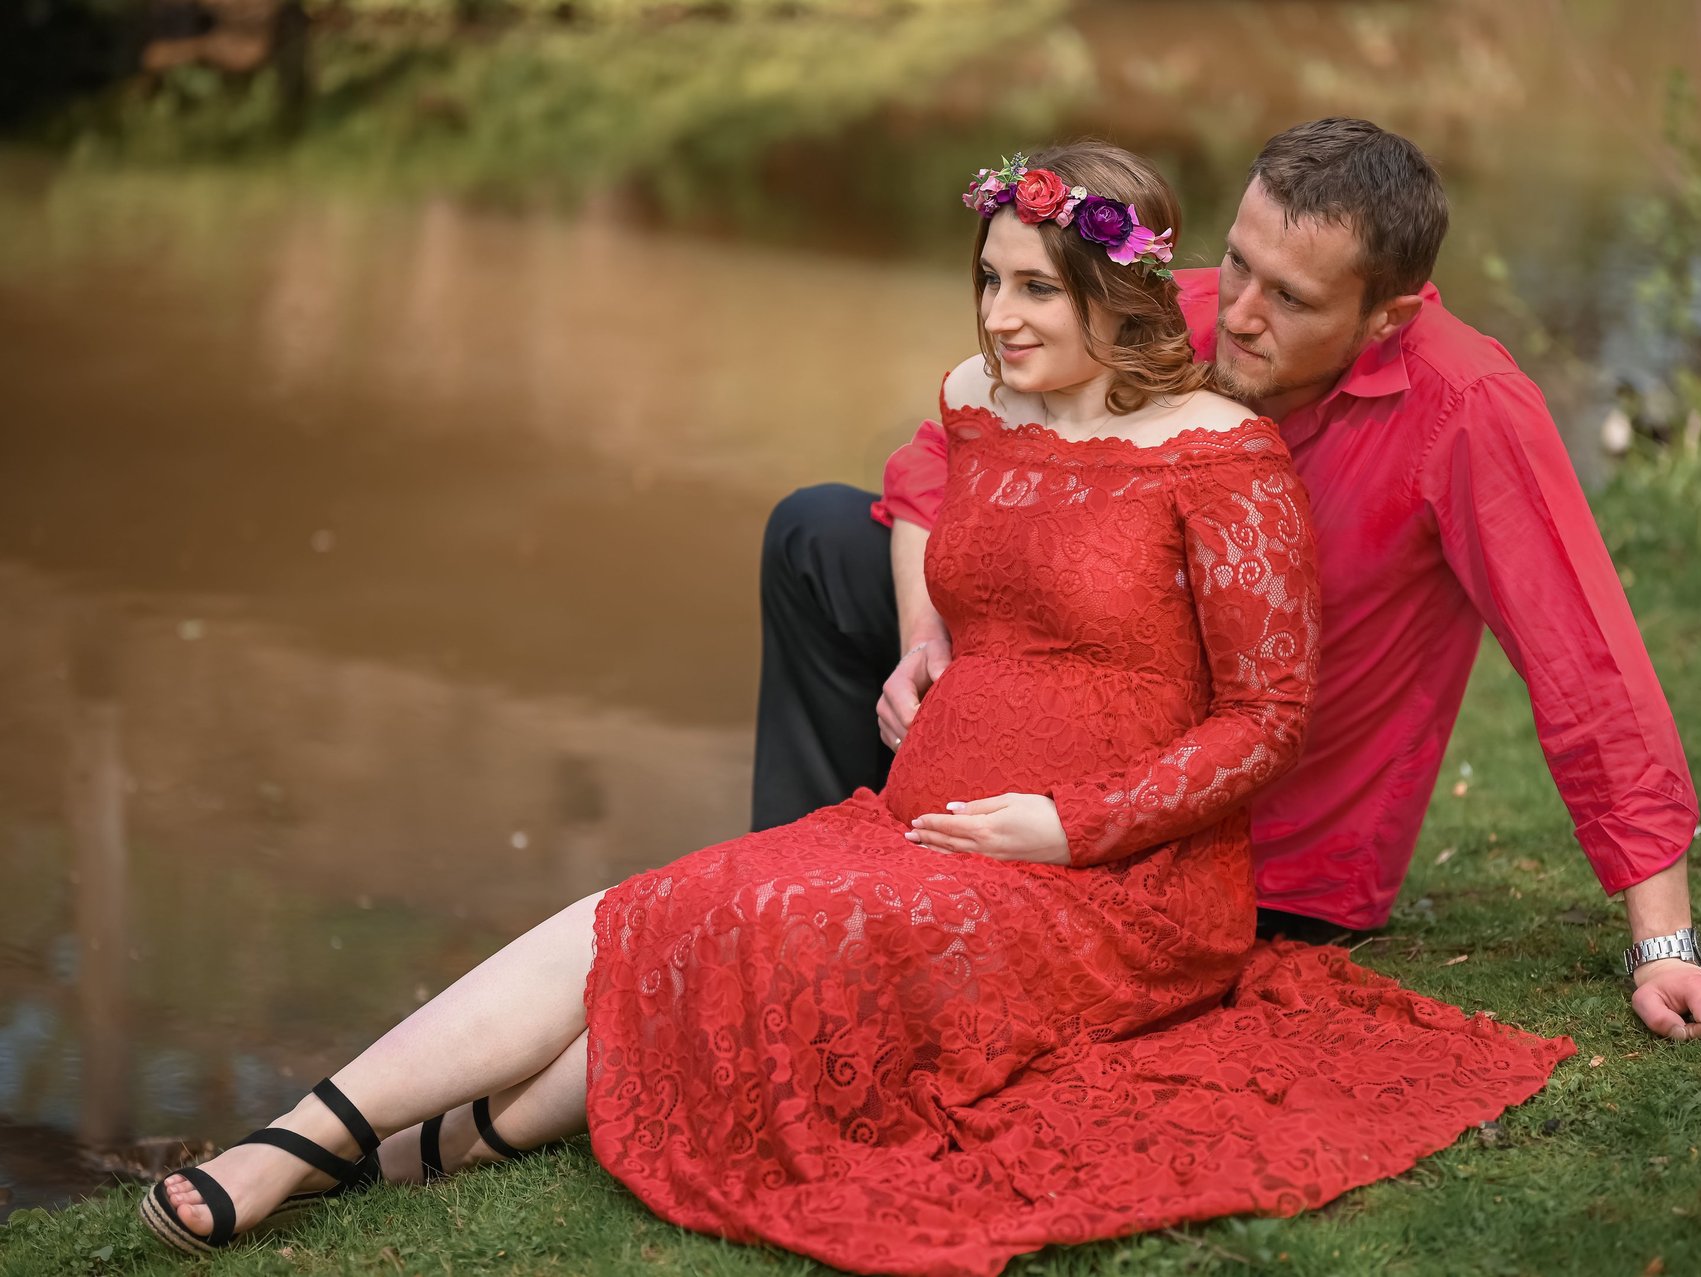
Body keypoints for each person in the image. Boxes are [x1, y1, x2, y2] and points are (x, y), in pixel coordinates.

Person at [140, 141, 1573, 1275]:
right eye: (989, 281)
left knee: (754, 923)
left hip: (1113, 885)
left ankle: (425, 1142)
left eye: (1036, 290)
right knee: (666, 905)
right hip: (921, 823)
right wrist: (921, 628)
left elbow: (1266, 720)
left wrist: (1068, 826)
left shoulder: (1220, 456)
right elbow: (923, 499)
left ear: (1116, 298)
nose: (1001, 317)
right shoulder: (980, 401)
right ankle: (309, 1136)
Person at [753, 118, 1701, 1044]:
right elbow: (939, 459)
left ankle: (862, 908)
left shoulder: (1469, 409)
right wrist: (924, 636)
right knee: (822, 534)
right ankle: (815, 861)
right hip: (1058, 720)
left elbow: (1584, 663)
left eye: (1289, 297)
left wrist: (1665, 947)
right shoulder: (1177, 313)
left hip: (1257, 835)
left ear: (1387, 316)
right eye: (1238, 261)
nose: (1237, 314)